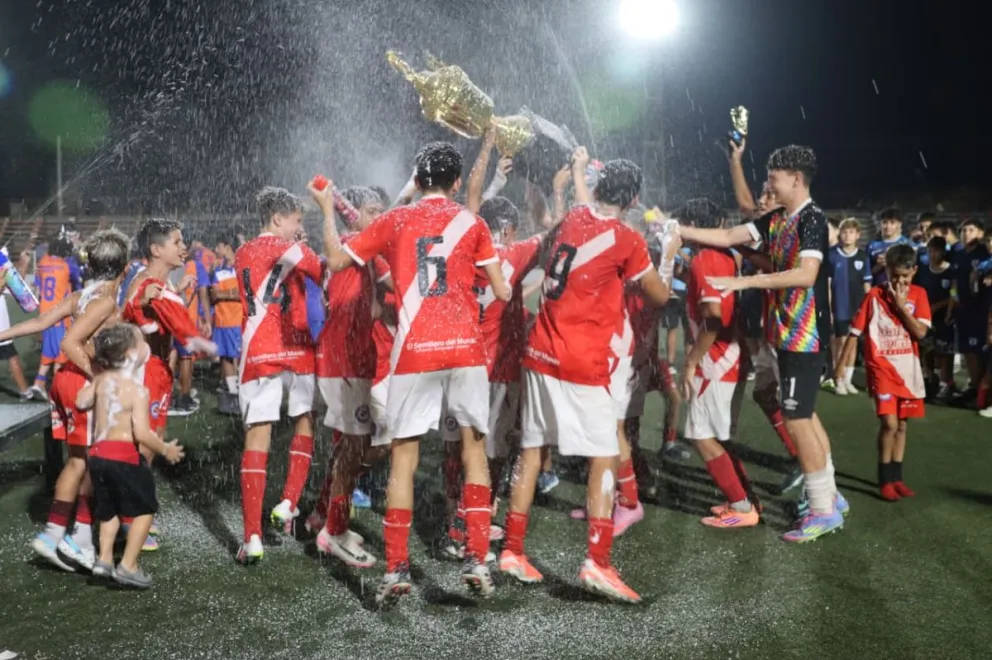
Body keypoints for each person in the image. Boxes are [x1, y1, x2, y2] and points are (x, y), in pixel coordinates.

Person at [311, 141, 511, 606]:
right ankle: (477, 558)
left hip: (414, 349)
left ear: (417, 180)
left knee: (404, 457)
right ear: (457, 183)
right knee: (474, 452)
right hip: (465, 348)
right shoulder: (473, 223)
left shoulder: (396, 220)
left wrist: (325, 208)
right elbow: (500, 292)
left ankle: (397, 566)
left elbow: (338, 259)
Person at [500, 155, 678, 603]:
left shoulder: (575, 218)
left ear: (597, 190)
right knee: (604, 456)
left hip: (540, 351)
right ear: (634, 199)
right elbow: (659, 295)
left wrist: (578, 175)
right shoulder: (628, 239)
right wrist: (670, 253)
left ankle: (512, 550)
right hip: (583, 361)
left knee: (532, 451)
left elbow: (577, 217)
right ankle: (597, 563)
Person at [679, 144, 849, 542]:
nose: (768, 184)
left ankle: (823, 509)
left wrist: (746, 281)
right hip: (786, 334)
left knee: (798, 420)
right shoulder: (778, 217)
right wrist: (678, 229)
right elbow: (727, 234)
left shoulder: (812, 219)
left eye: (774, 177)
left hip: (803, 337)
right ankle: (830, 496)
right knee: (802, 417)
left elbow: (805, 276)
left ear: (795, 178)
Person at [28, 229, 133, 570]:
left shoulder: (83, 293)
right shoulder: (104, 300)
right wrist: (100, 378)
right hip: (79, 383)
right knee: (94, 462)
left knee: (79, 462)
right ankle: (80, 535)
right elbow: (71, 343)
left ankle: (56, 535)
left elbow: (43, 321)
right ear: (126, 267)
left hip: (64, 380)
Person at [234, 186, 323, 564]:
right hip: (296, 346)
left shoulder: (242, 252)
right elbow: (319, 268)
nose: (298, 228)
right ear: (277, 219)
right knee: (305, 419)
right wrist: (306, 247)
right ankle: (289, 501)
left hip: (258, 350)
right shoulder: (286, 249)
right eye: (296, 221)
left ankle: (252, 536)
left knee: (259, 435)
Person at [313, 185, 388, 568]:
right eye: (372, 210)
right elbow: (335, 257)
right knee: (359, 447)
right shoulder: (351, 242)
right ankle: (334, 530)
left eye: (381, 210)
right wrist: (327, 207)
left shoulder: (364, 246)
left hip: (353, 357)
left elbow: (374, 305)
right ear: (354, 214)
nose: (380, 216)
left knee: (355, 445)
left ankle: (322, 515)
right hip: (342, 358)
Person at [676, 199, 759, 529]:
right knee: (718, 436)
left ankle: (742, 506)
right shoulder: (722, 255)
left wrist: (690, 362)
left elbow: (712, 318)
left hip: (716, 361)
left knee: (701, 436)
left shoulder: (706, 258)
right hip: (730, 356)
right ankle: (745, 499)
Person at [80, 324, 184, 588]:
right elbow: (142, 434)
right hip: (123, 456)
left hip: (97, 456)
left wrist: (94, 385)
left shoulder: (102, 381)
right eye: (138, 343)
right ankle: (128, 565)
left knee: (109, 509)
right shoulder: (138, 391)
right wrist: (165, 449)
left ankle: (103, 560)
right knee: (147, 508)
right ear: (129, 355)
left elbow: (81, 403)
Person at [835, 244, 929, 501]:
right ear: (886, 271)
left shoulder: (919, 295)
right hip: (881, 370)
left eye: (905, 276)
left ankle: (897, 478)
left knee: (902, 426)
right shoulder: (874, 295)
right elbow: (854, 333)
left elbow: (920, 332)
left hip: (908, 372)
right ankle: (884, 480)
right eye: (894, 275)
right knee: (888, 423)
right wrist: (840, 366)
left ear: (914, 272)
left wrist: (900, 306)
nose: (899, 281)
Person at [825, 218, 871, 395]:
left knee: (853, 343)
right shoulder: (832, 254)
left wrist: (868, 306)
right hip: (839, 306)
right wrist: (828, 308)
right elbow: (828, 285)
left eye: (851, 232)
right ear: (839, 234)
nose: (847, 235)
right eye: (844, 232)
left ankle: (848, 379)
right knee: (841, 342)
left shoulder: (862, 256)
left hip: (857, 307)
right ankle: (838, 378)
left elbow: (867, 285)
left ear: (858, 235)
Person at [31, 237, 82, 398]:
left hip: (44, 313)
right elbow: (78, 276)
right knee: (61, 356)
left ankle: (38, 384)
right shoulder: (67, 266)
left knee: (48, 352)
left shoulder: (43, 263)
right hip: (59, 316)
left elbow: (38, 285)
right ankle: (57, 392)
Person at [951, 219, 989, 404]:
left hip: (981, 309)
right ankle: (974, 387)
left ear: (980, 234)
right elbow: (954, 283)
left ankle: (983, 389)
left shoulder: (984, 254)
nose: (966, 234)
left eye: (971, 230)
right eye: (963, 230)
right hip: (963, 308)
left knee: (980, 349)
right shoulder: (958, 254)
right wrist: (954, 301)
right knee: (967, 349)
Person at [917, 237, 956, 400]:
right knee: (926, 350)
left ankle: (945, 384)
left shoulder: (951, 270)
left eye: (936, 250)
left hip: (945, 317)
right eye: (930, 250)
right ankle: (929, 379)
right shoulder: (923, 271)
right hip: (926, 317)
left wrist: (944, 306)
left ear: (943, 251)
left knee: (945, 352)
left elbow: (954, 293)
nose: (933, 254)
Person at [209, 236, 243, 414]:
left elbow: (243, 294)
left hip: (237, 320)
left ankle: (242, 394)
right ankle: (233, 394)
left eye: (219, 245)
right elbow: (214, 295)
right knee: (226, 357)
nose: (216, 248)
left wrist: (223, 293)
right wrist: (230, 293)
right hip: (222, 321)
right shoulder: (218, 269)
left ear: (227, 246)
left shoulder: (242, 267)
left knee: (240, 357)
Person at [868, 207, 910, 286]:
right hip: (879, 291)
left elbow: (911, 271)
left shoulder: (908, 244)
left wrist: (892, 261)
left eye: (892, 222)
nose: (888, 226)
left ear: (899, 224)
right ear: (880, 224)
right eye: (885, 222)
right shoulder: (872, 245)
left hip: (901, 289)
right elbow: (867, 273)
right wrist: (880, 265)